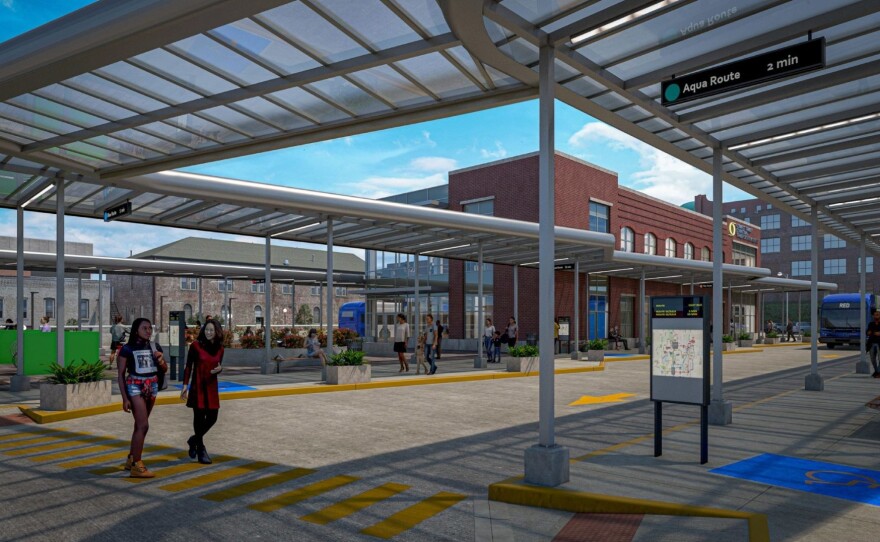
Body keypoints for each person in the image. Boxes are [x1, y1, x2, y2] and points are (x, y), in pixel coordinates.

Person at [117, 317, 166, 478]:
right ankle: (137, 465)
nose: (148, 331)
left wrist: (160, 359)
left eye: (150, 328)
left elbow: (164, 369)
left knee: (140, 425)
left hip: (152, 386)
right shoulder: (127, 349)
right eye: (144, 328)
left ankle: (131, 458)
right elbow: (120, 374)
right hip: (135, 386)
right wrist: (125, 398)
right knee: (143, 425)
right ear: (136, 330)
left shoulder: (154, 346)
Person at [181, 319, 224, 464]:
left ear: (217, 332)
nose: (208, 332)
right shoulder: (195, 346)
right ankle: (201, 449)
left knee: (213, 417)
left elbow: (218, 365)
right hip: (197, 386)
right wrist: (185, 385)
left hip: (211, 387)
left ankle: (193, 440)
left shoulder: (220, 348)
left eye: (211, 330)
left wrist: (220, 369)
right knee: (198, 419)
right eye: (206, 330)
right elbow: (188, 366)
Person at [867, 311, 880, 378]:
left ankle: (878, 372)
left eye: (877, 315)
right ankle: (877, 371)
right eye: (875, 315)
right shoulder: (871, 324)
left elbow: (872, 332)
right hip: (872, 343)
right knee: (873, 359)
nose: (876, 316)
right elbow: (868, 332)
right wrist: (873, 333)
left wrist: (873, 332)